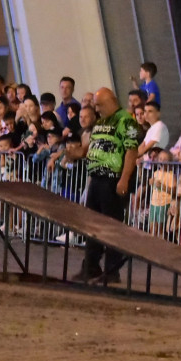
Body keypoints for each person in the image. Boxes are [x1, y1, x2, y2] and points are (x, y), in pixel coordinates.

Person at [71, 88, 140, 283]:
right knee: (92, 225)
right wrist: (73, 153)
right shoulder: (100, 123)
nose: (97, 109)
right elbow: (89, 148)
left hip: (113, 179)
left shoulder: (127, 121)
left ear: (112, 101)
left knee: (111, 226)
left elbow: (131, 151)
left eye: (100, 105)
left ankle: (112, 270)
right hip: (96, 178)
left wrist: (124, 179)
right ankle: (91, 266)